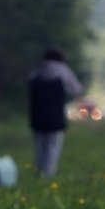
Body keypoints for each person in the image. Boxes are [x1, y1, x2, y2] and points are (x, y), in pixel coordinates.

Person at [28, 47, 83, 178]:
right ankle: (48, 173)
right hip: (55, 114)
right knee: (53, 146)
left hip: (37, 114)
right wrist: (65, 97)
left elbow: (29, 86)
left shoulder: (37, 71)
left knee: (39, 145)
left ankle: (39, 171)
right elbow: (77, 90)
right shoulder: (63, 70)